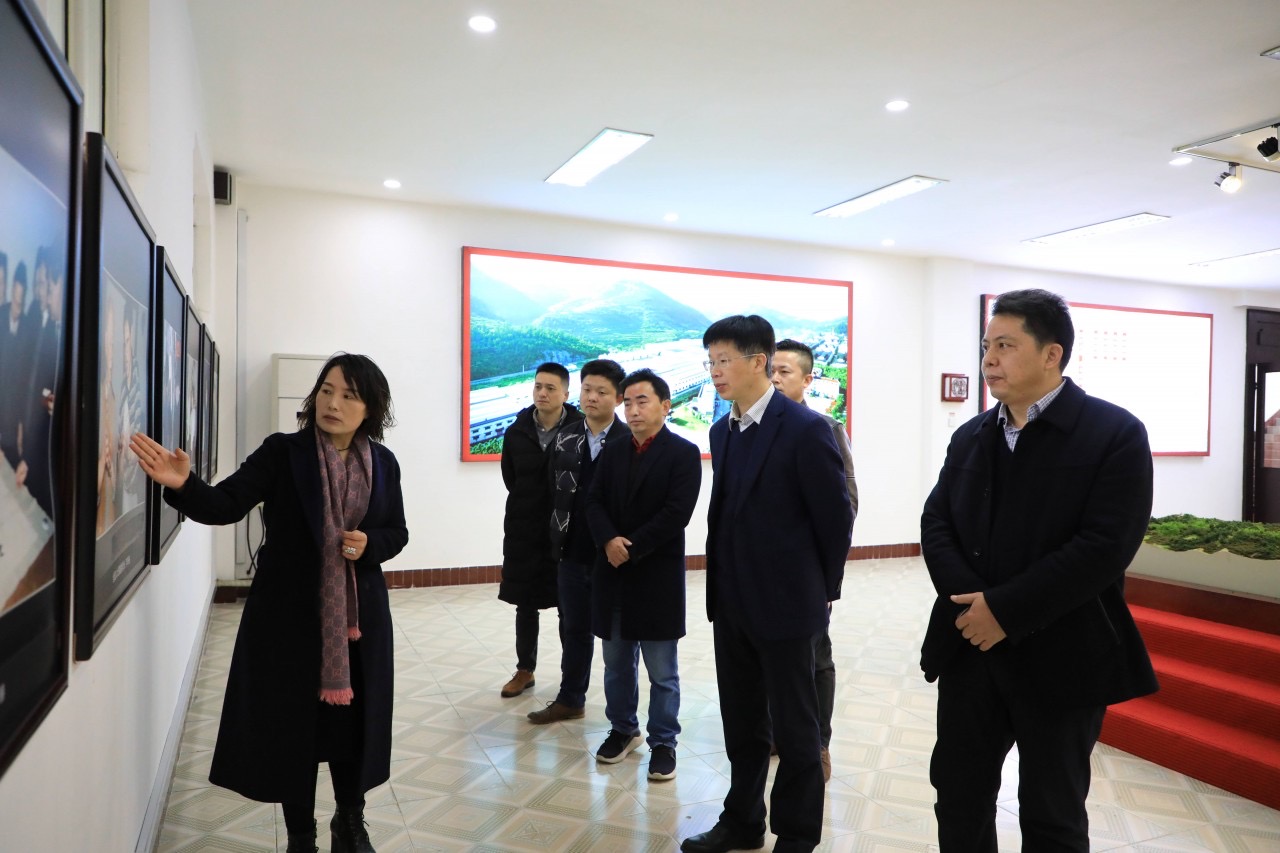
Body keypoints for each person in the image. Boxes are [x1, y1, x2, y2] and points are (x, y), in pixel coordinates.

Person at [130, 353, 408, 853]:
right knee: (293, 731)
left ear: (370, 408)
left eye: (348, 395)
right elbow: (227, 504)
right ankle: (301, 837)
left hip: (358, 624)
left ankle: (350, 821)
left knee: (351, 728)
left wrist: (371, 544)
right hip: (288, 620)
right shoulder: (284, 453)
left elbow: (397, 532)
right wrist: (184, 486)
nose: (333, 403)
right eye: (326, 390)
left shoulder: (383, 464)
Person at [920, 289, 1157, 852]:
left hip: (1064, 653)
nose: (989, 360)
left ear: (1052, 354)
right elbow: (937, 521)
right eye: (986, 346)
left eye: (1005, 346)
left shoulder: (1113, 434)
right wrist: (973, 604)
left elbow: (1105, 546)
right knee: (958, 796)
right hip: (972, 646)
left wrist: (1004, 610)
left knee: (1052, 812)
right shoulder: (971, 435)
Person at [684, 316, 852, 853]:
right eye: (710, 362)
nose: (715, 371)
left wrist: (821, 592)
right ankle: (743, 821)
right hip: (732, 603)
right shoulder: (722, 430)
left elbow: (835, 519)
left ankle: (797, 836)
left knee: (797, 732)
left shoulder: (805, 429)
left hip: (787, 606)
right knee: (743, 725)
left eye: (723, 360)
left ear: (759, 361)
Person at [584, 368, 701, 780]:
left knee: (662, 671)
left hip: (655, 576)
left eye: (642, 401)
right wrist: (607, 540)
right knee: (616, 663)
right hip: (612, 573)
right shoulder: (614, 450)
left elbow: (676, 513)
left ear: (665, 406)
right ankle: (623, 729)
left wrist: (627, 548)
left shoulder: (683, 453)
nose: (632, 410)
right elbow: (593, 501)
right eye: (628, 402)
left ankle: (664, 741)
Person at [770, 338, 859, 782]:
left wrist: (826, 577)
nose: (775, 378)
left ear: (807, 379)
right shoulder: (746, 427)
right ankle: (776, 732)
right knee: (769, 656)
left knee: (816, 657)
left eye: (784, 371)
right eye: (770, 369)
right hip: (759, 572)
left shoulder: (824, 427)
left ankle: (818, 742)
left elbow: (846, 504)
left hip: (806, 574)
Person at [528, 359, 630, 724]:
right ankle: (571, 698)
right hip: (571, 552)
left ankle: (624, 718)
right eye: (587, 389)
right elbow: (552, 491)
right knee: (574, 629)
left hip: (614, 556)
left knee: (619, 639)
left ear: (618, 398)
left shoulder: (628, 441)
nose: (592, 397)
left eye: (602, 392)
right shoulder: (566, 436)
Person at [497, 362, 583, 697]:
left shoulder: (579, 429)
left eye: (550, 388)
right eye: (537, 386)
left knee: (568, 607)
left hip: (568, 531)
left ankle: (570, 678)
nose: (542, 393)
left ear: (566, 393)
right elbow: (511, 479)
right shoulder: (517, 431)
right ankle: (524, 670)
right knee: (525, 603)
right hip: (524, 529)